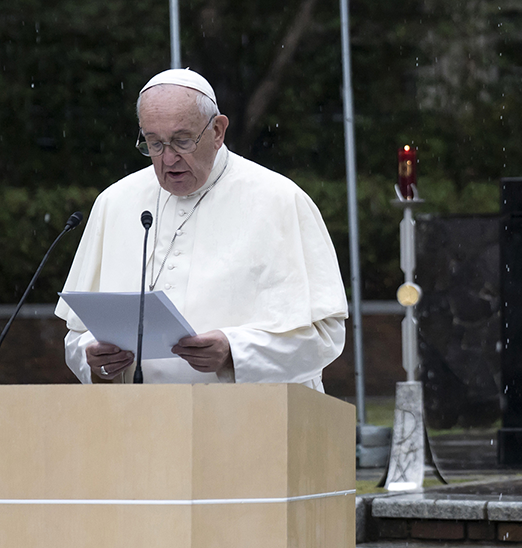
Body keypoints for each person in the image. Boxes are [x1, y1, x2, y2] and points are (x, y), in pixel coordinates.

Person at [55, 69, 348, 390]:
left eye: (183, 140)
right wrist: (94, 360)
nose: (168, 159)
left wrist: (234, 352)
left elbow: (325, 335)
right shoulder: (114, 202)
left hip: (251, 421)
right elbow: (78, 336)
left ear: (218, 130)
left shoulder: (280, 200)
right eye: (153, 143)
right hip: (139, 422)